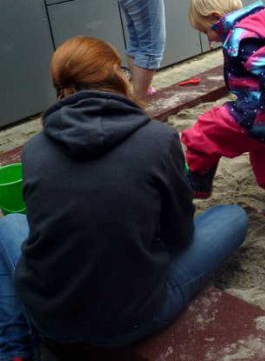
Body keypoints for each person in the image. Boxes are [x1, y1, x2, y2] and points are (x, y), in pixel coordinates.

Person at [0, 36, 248, 361]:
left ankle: (14, 348)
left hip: (51, 317)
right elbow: (180, 234)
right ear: (117, 75)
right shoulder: (158, 139)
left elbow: (48, 232)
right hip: (131, 319)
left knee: (10, 225)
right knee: (232, 216)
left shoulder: (35, 149)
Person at [181, 0, 265, 227]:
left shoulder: (245, 37)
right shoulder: (263, 27)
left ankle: (198, 183)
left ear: (216, 18)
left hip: (263, 110)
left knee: (204, 130)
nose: (208, 39)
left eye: (206, 31)